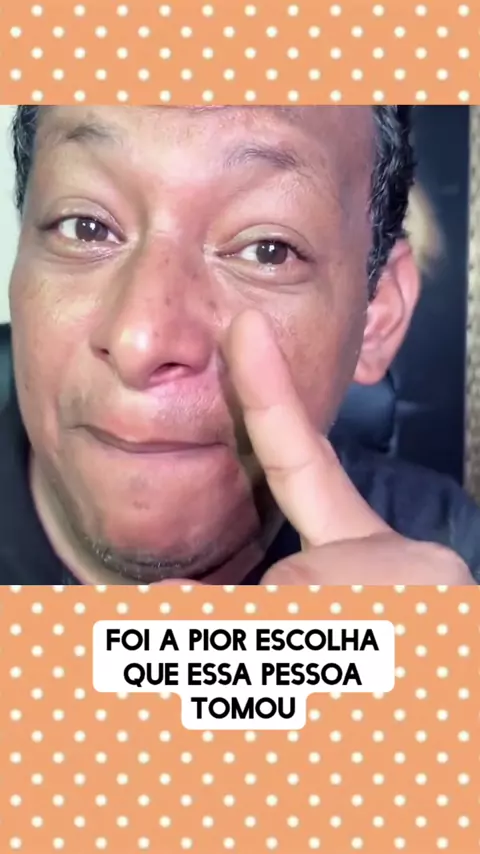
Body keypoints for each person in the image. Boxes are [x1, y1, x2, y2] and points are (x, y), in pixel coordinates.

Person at [0, 104, 478, 587]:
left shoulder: (449, 544)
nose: (141, 343)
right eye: (85, 226)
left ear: (375, 319)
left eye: (268, 250)